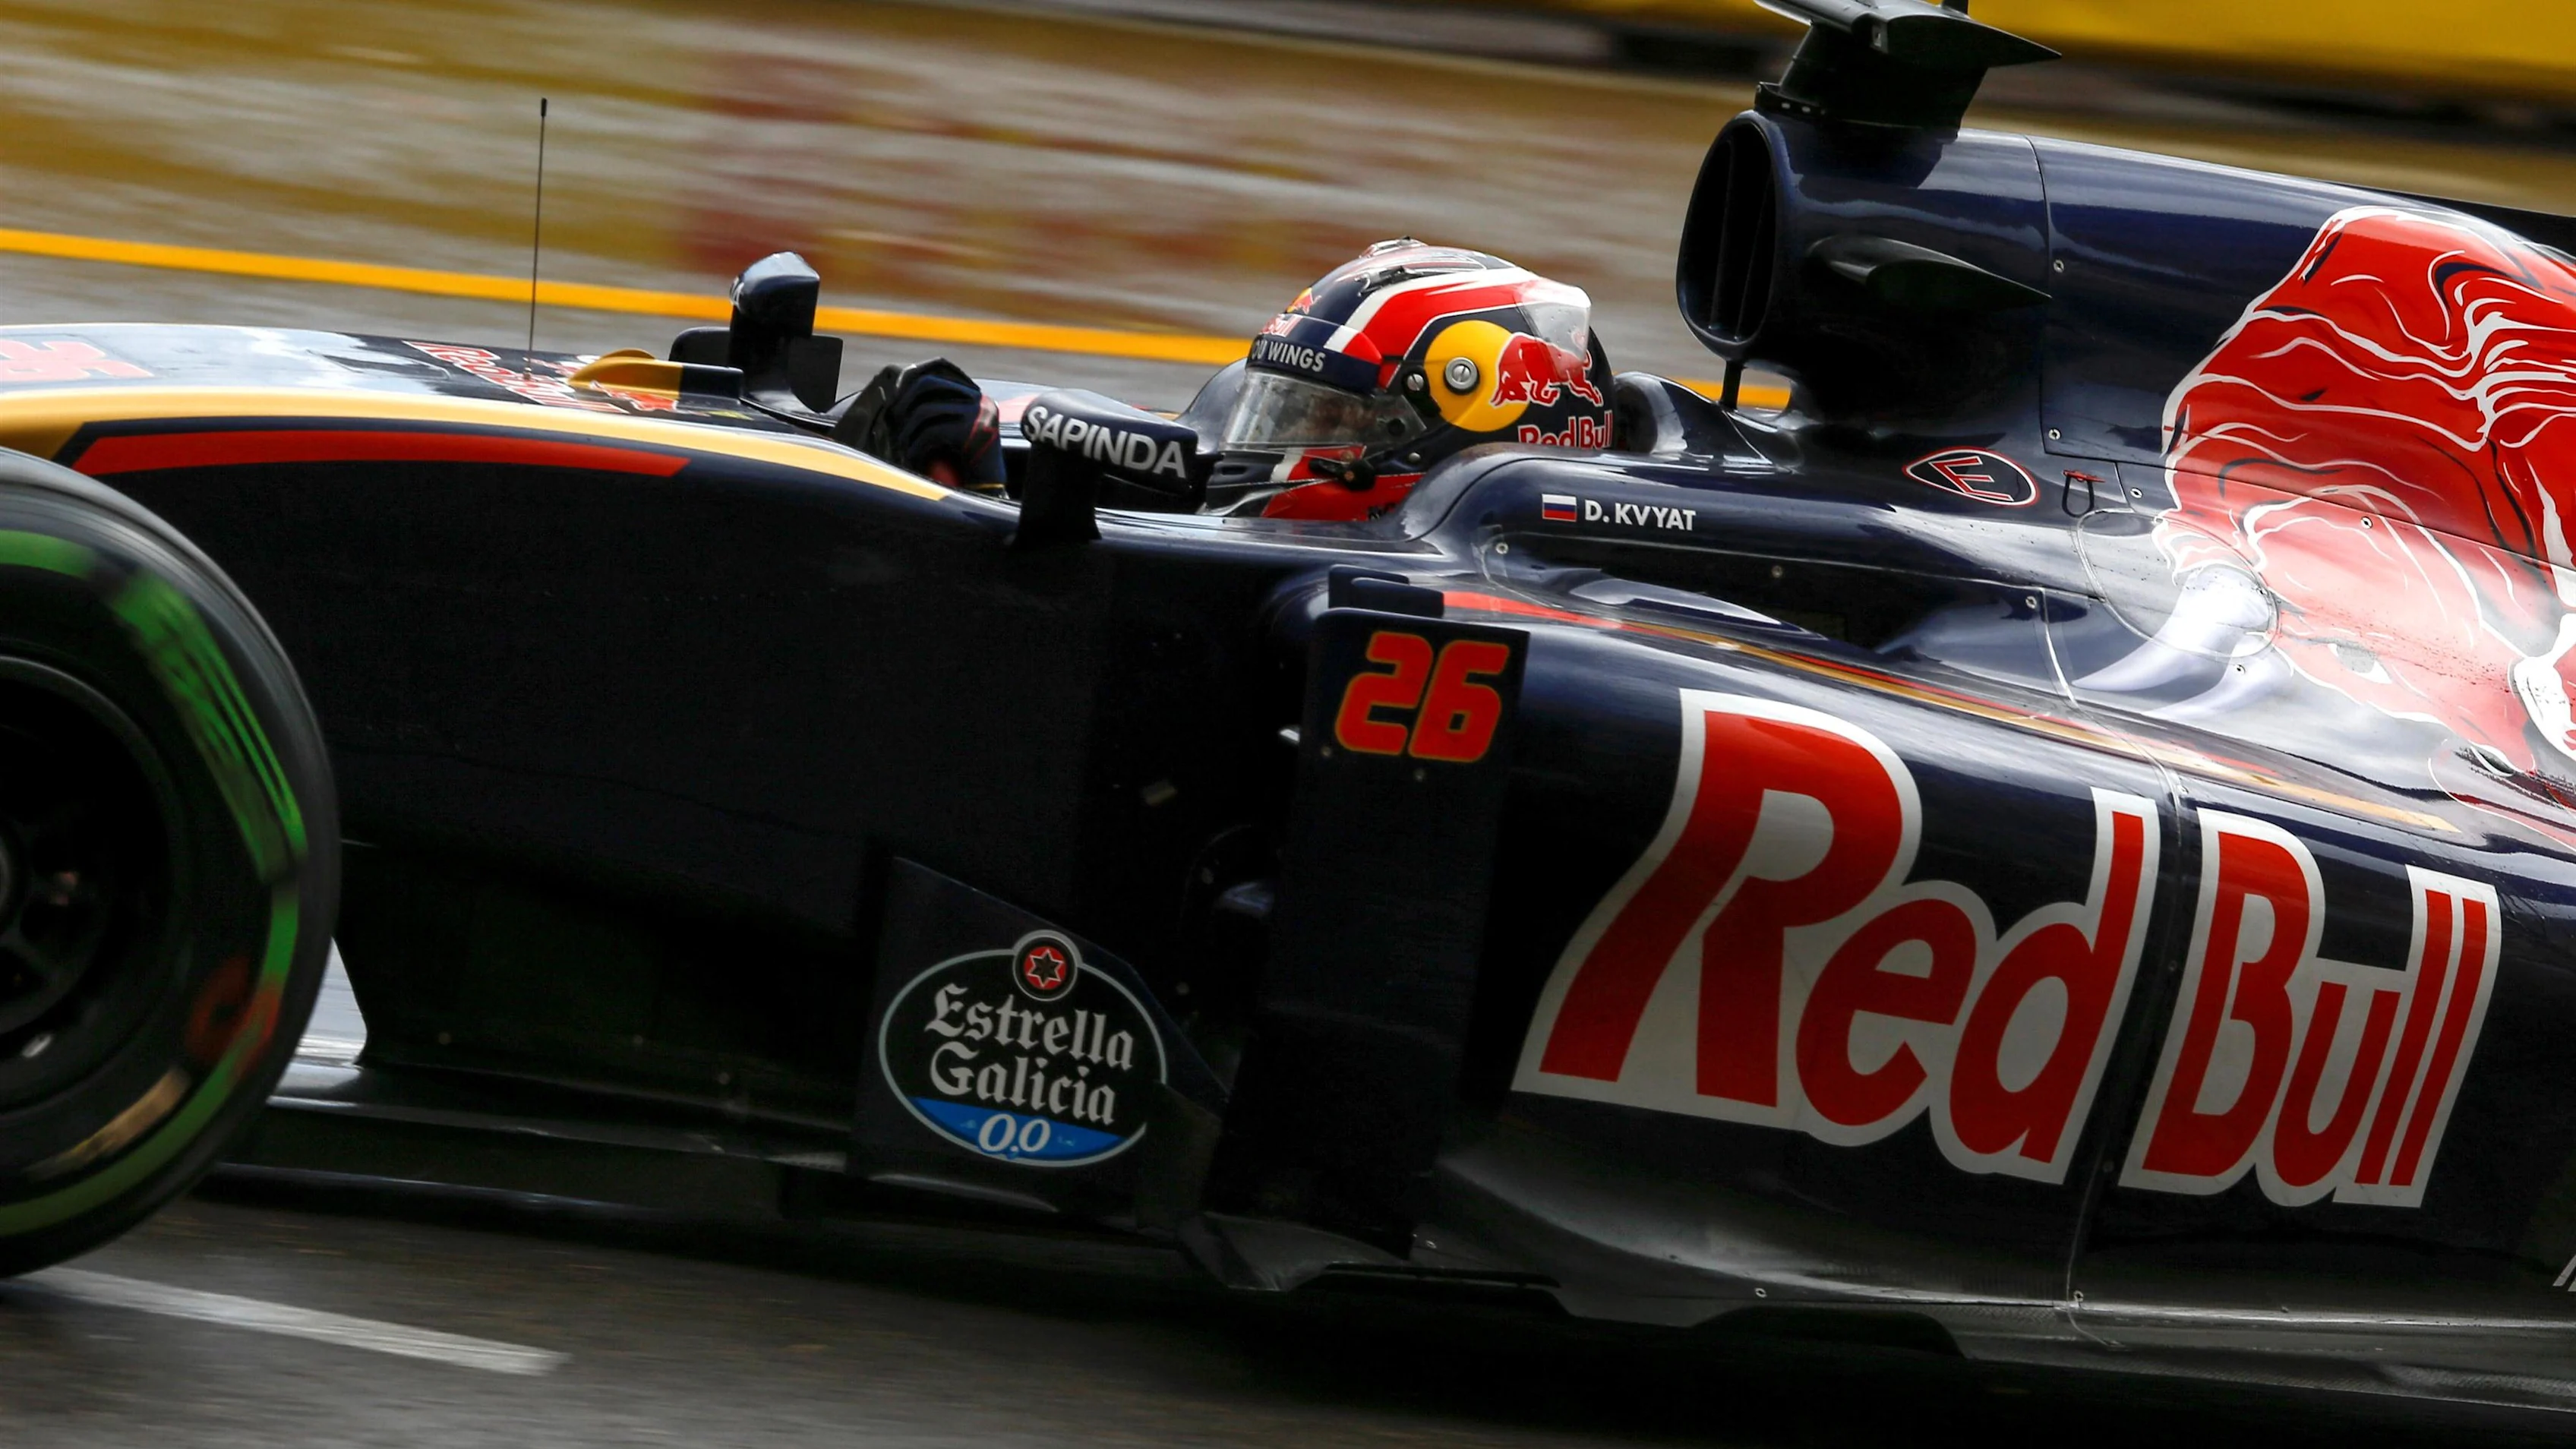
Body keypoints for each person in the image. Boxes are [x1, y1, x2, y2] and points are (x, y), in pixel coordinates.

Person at [845, 239, 1618, 519]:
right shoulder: (1250, 467)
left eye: (1338, 417)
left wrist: (978, 512)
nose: (1282, 431)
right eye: (1289, 401)